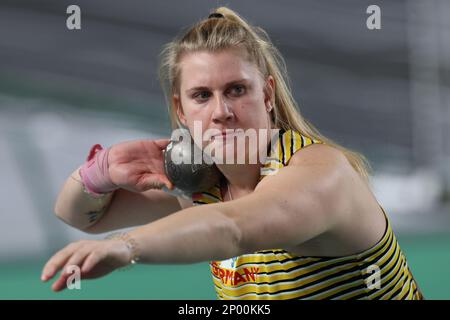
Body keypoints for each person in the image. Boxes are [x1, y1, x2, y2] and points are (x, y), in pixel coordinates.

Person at [41, 7, 424, 300]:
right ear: (181, 111)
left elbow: (234, 228)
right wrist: (102, 171)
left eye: (237, 90)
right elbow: (80, 216)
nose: (221, 111)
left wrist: (126, 247)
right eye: (202, 96)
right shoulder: (200, 182)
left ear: (268, 95)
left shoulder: (321, 173)